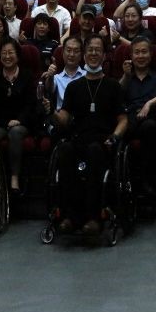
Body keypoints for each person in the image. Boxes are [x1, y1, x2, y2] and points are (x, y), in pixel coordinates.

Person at [50, 34, 126, 234]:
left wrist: (115, 137)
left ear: (104, 55)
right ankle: (69, 216)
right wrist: (51, 112)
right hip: (79, 139)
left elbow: (123, 120)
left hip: (103, 142)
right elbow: (64, 118)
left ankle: (94, 218)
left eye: (97, 50)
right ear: (84, 55)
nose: (93, 53)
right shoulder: (74, 87)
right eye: (90, 50)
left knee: (94, 150)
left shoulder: (113, 86)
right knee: (65, 149)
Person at [0, 38, 36, 194]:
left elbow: (30, 105)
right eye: (4, 53)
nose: (7, 56)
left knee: (15, 132)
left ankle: (14, 177)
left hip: (22, 123)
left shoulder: (27, 75)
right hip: (1, 122)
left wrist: (19, 120)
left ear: (18, 55)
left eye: (10, 53)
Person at [120, 37, 156, 193]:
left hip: (151, 121)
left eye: (144, 52)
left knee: (150, 126)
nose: (140, 56)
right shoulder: (127, 77)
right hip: (130, 123)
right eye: (137, 53)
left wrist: (149, 104)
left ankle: (146, 180)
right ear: (131, 56)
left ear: (151, 55)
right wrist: (125, 76)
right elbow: (116, 95)